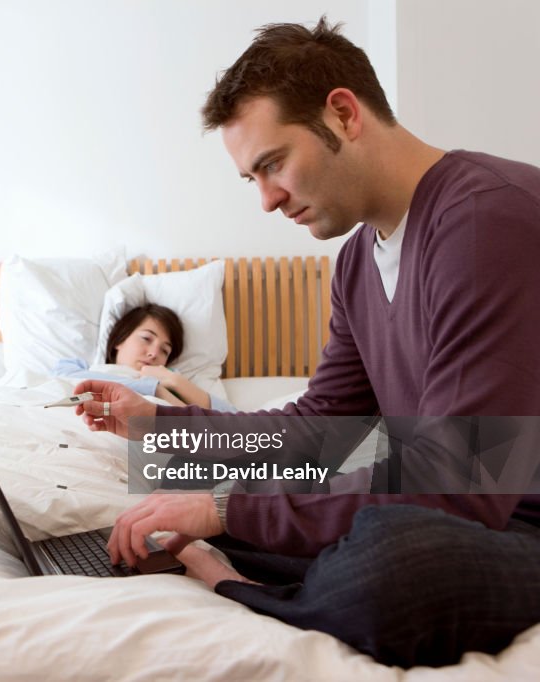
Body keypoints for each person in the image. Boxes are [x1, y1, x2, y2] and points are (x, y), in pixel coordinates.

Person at [74, 17, 540, 668]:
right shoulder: (355, 264)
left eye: (273, 165)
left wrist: (225, 511)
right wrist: (161, 427)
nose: (266, 201)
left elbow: (461, 481)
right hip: (459, 504)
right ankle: (245, 565)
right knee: (171, 493)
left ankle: (228, 577)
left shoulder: (485, 220)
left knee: (393, 567)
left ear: (343, 114)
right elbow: (324, 425)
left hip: (508, 512)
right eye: (252, 180)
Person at [52, 303, 233, 411]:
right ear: (120, 339)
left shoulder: (172, 382)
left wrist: (174, 380)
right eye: (146, 338)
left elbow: (234, 422)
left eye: (165, 351)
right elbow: (62, 377)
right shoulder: (81, 368)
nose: (154, 353)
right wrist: (154, 388)